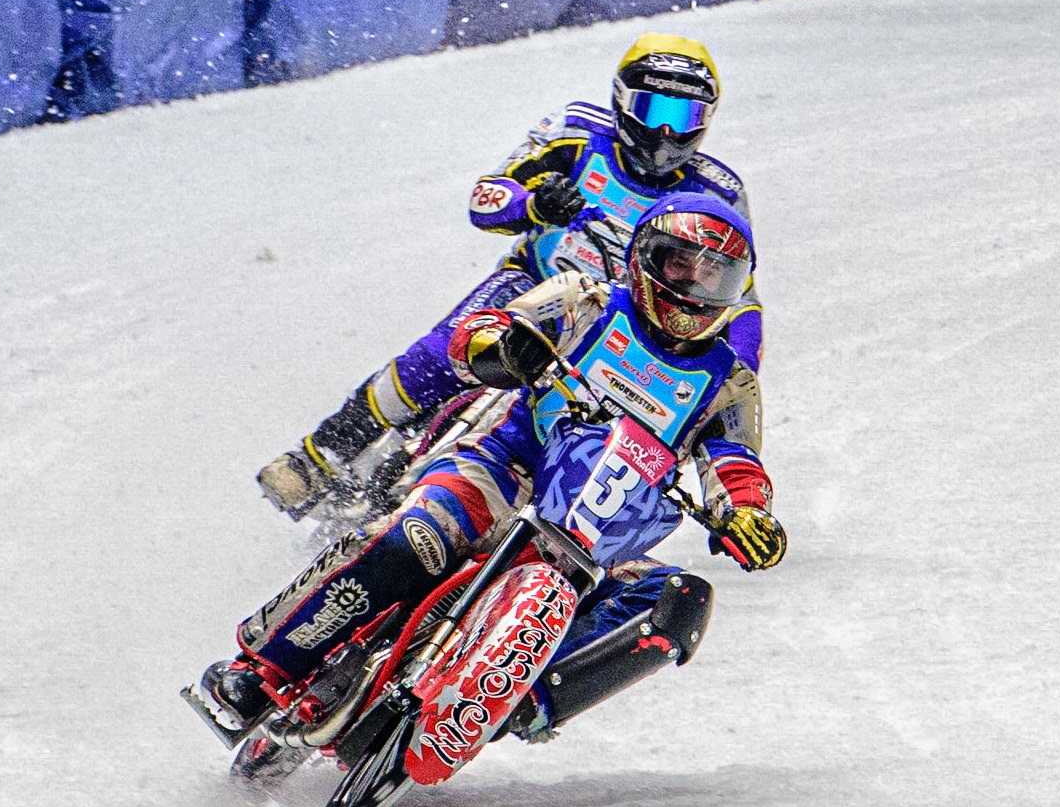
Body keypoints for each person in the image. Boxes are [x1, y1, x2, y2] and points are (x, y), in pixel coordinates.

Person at [202, 192, 786, 744]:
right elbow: (478, 334)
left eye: (715, 274)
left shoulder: (730, 382)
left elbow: (735, 460)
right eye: (681, 264)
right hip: (506, 469)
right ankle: (262, 670)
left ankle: (528, 700)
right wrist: (504, 346)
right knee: (414, 539)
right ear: (643, 258)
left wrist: (748, 514)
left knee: (677, 601)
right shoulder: (585, 298)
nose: (693, 286)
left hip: (600, 533)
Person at [256, 33, 764, 522]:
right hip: (536, 286)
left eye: (686, 116)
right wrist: (534, 203)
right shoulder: (574, 132)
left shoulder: (717, 192)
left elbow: (741, 295)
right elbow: (485, 198)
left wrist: (735, 367)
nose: (668, 132)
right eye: (656, 111)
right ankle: (319, 455)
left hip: (630, 324)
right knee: (439, 355)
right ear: (622, 100)